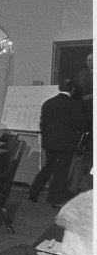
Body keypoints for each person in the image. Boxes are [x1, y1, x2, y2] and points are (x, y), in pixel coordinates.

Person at [27, 79, 88, 207]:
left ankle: (32, 192)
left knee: (48, 167)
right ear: (73, 90)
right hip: (65, 144)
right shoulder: (74, 104)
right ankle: (55, 200)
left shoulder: (48, 103)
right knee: (61, 172)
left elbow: (43, 124)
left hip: (49, 143)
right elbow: (81, 124)